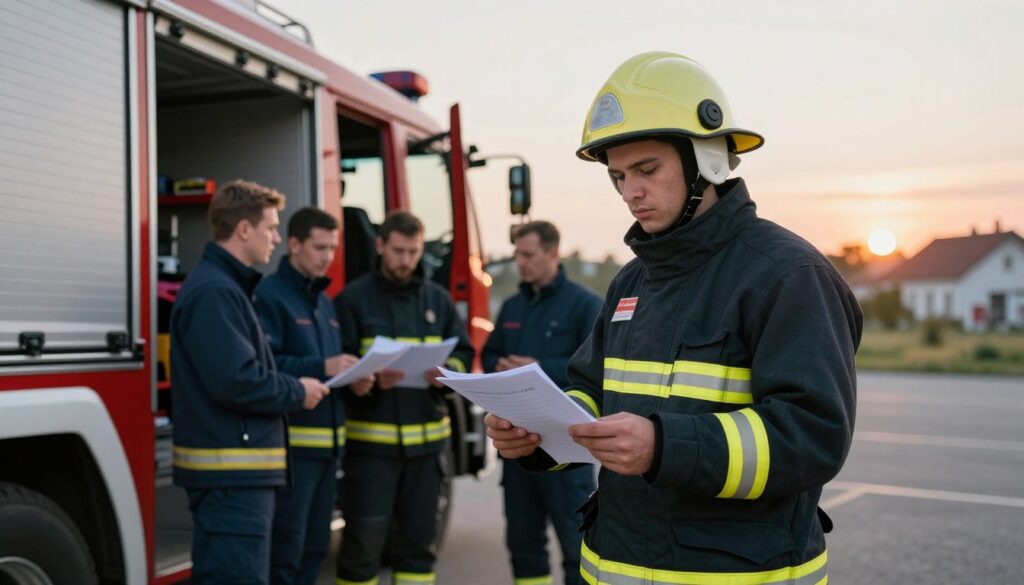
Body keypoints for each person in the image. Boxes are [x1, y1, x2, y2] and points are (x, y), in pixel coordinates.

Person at [485, 52, 862, 584]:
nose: (629, 192)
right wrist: (539, 436)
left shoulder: (788, 275)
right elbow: (590, 392)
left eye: (646, 170)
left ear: (706, 159)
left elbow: (812, 435)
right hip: (612, 564)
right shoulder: (631, 281)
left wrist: (664, 447)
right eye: (617, 176)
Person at [170, 180, 330, 584]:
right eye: (271, 227)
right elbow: (236, 381)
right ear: (244, 229)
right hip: (231, 482)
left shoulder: (226, 288)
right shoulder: (215, 293)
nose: (277, 237)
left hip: (237, 479)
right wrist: (298, 390)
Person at [333, 210, 475, 585]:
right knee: (362, 547)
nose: (405, 260)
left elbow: (463, 351)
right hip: (370, 453)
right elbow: (339, 364)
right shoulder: (353, 300)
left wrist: (448, 374)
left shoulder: (437, 300)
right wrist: (362, 381)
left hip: (427, 454)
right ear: (380, 246)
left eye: (413, 252)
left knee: (418, 549)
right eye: (398, 251)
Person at [253, 207, 375, 584]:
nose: (328, 257)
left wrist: (353, 380)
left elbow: (329, 370)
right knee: (286, 550)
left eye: (332, 248)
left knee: (316, 548)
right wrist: (325, 366)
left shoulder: (324, 301)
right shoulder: (269, 296)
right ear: (293, 244)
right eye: (319, 247)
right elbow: (265, 366)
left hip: (327, 451)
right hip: (292, 451)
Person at [482, 220, 601, 585]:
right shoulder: (513, 307)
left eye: (529, 254)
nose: (521, 262)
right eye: (518, 254)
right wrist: (499, 367)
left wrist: (540, 368)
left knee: (575, 546)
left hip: (568, 452)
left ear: (553, 253)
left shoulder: (585, 305)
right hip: (518, 448)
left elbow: (597, 368)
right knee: (523, 544)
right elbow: (490, 355)